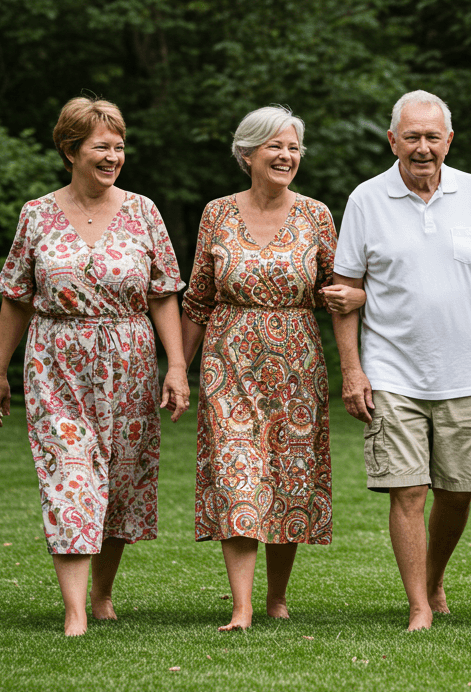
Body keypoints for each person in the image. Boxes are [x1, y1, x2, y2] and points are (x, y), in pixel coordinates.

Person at [0, 96, 188, 636]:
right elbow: (16, 296)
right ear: (71, 150)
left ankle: (101, 594)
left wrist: (176, 367)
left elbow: (164, 292)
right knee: (70, 477)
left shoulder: (144, 211)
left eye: (119, 147)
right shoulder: (37, 214)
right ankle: (75, 611)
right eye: (102, 147)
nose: (113, 156)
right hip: (57, 364)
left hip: (131, 361)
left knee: (121, 484)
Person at [331, 90, 471, 631]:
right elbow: (345, 291)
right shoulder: (367, 199)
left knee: (458, 492)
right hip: (392, 372)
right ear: (392, 140)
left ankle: (434, 575)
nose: (421, 148)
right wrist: (352, 370)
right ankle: (419, 605)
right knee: (409, 490)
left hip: (466, 372)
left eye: (432, 137)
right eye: (410, 137)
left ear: (449, 140)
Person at [180, 105, 360, 631]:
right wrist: (176, 370)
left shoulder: (317, 215)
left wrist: (357, 298)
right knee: (238, 475)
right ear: (247, 154)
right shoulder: (216, 213)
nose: (286, 156)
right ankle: (241, 606)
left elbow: (340, 289)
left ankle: (276, 596)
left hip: (296, 364)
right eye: (275, 147)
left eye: (293, 148)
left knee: (287, 478)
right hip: (228, 362)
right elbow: (197, 300)